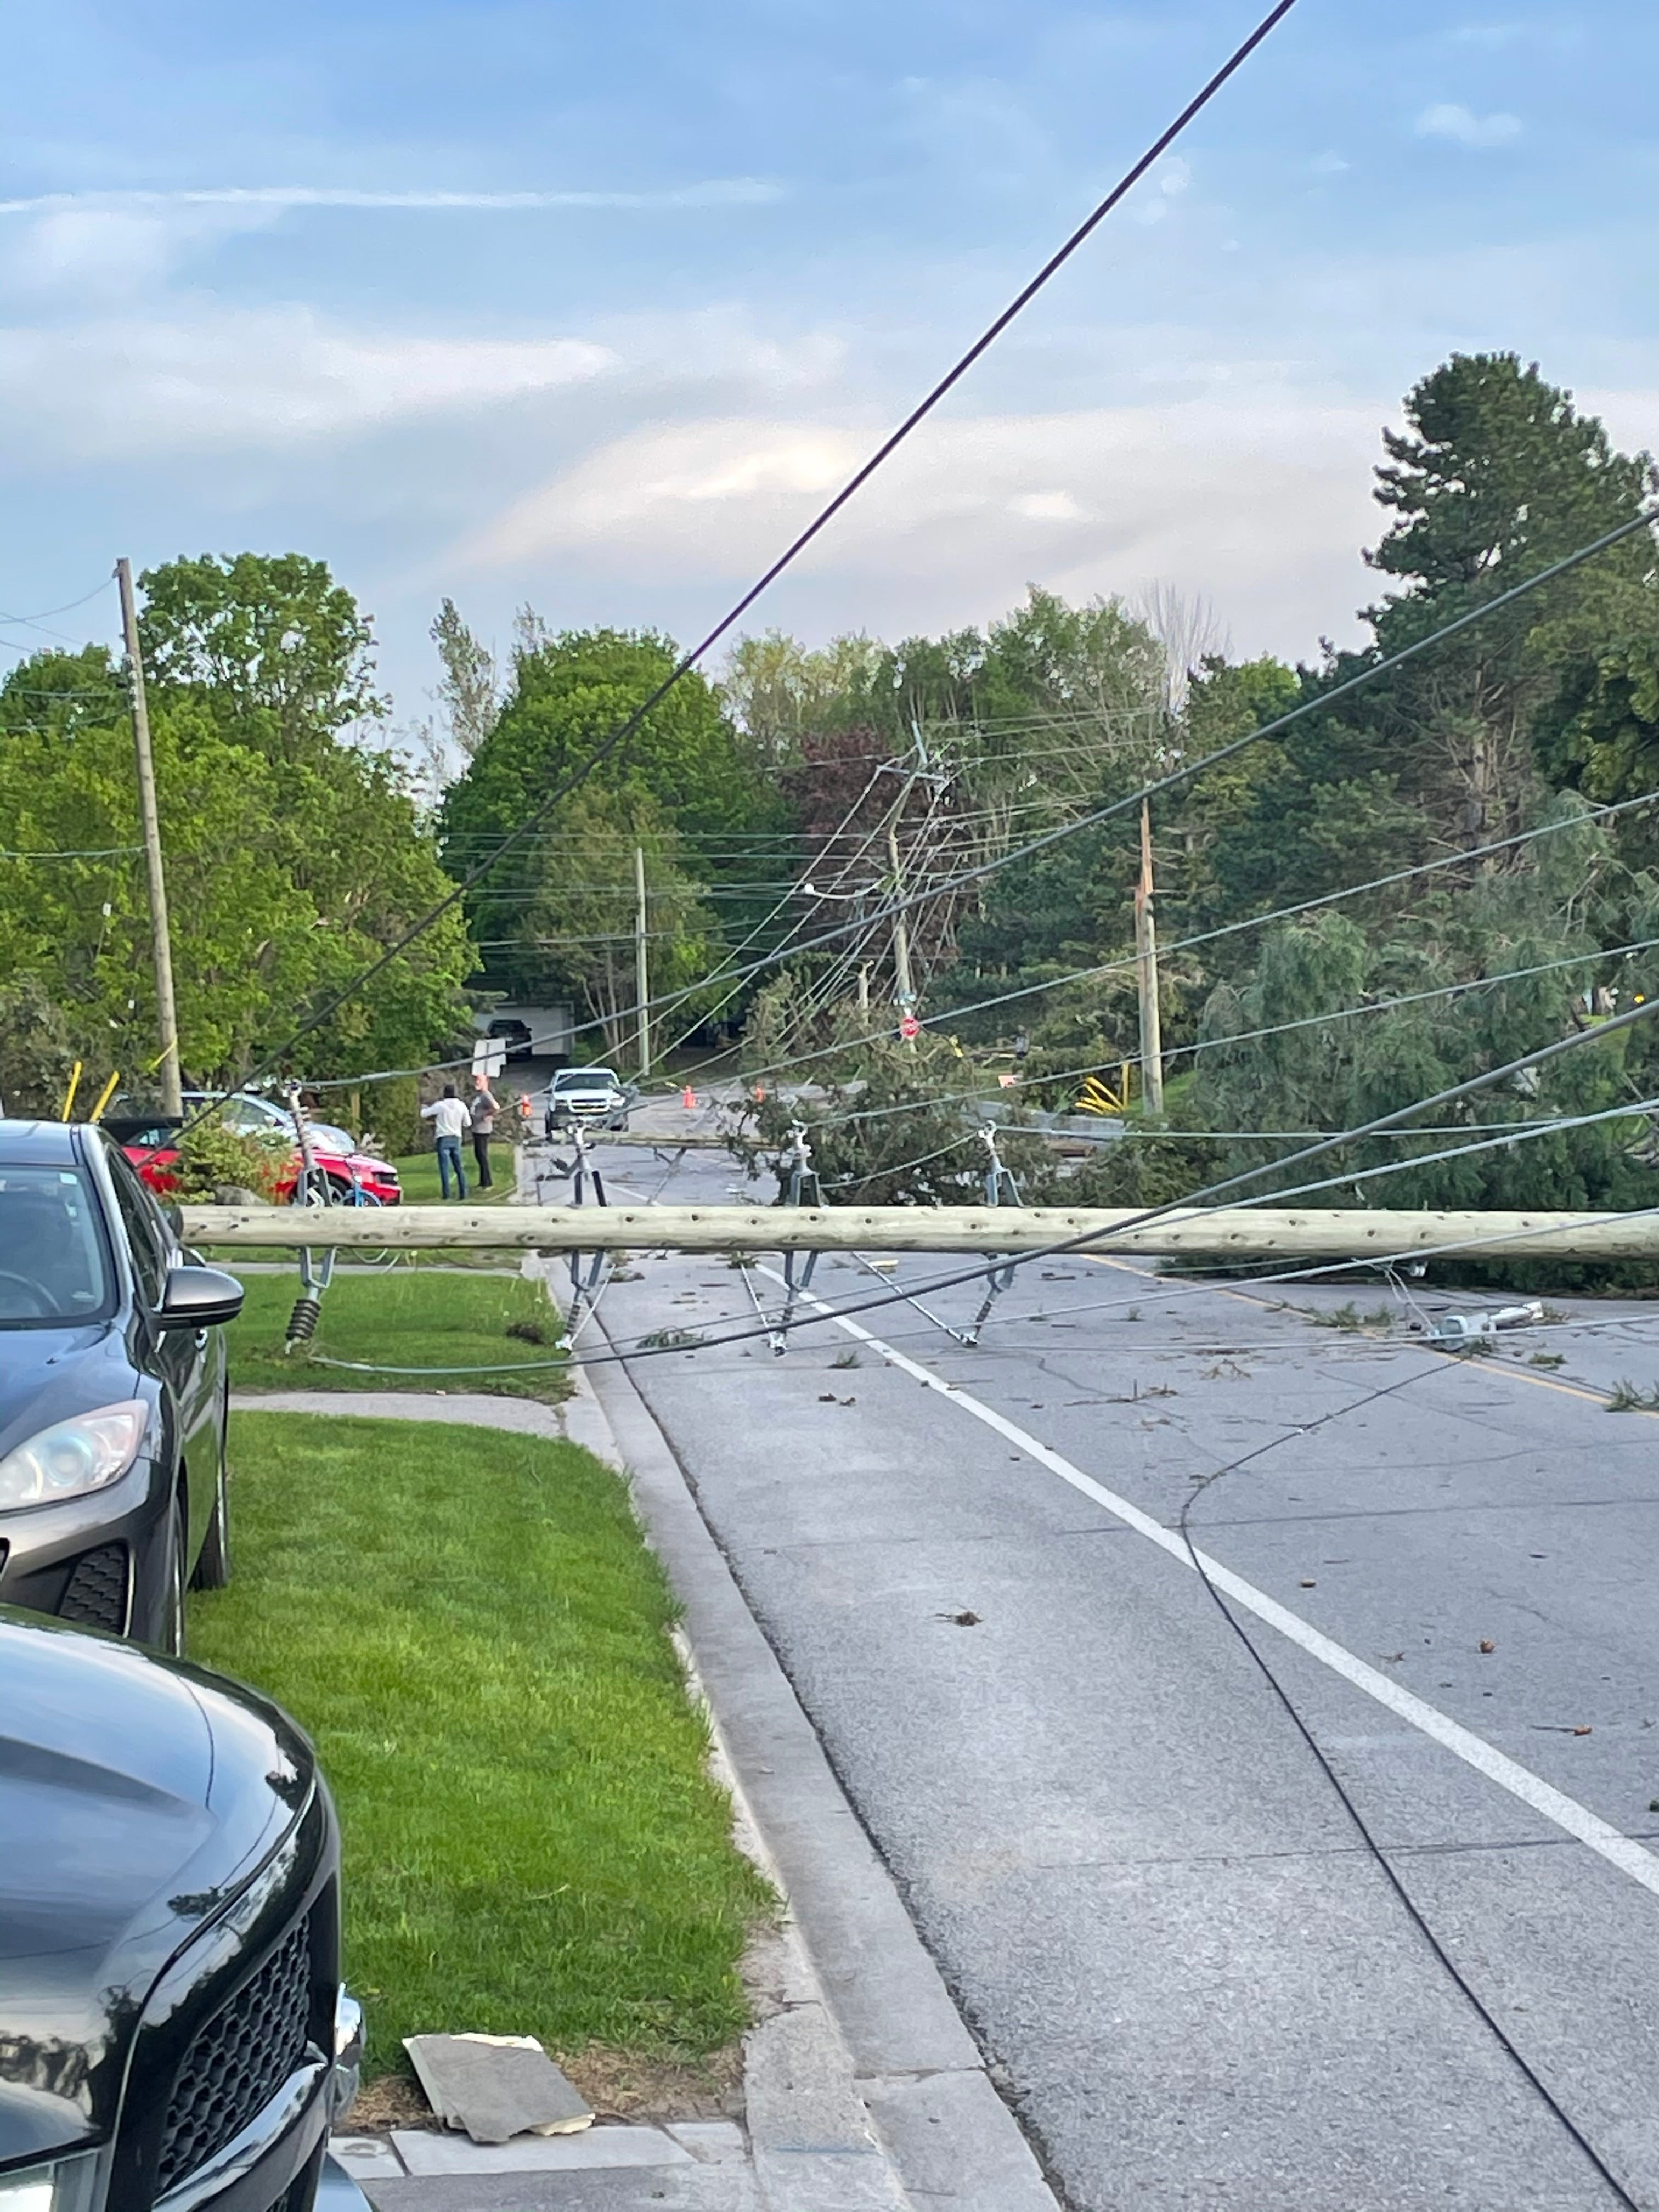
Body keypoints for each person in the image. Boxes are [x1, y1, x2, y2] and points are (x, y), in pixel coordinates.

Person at [420, 1083, 470, 1199]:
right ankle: (463, 1193)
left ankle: (446, 1195)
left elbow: (424, 1114)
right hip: (456, 1137)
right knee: (459, 1168)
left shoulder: (441, 1105)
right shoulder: (461, 1105)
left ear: (444, 1093)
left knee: (444, 1168)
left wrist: (424, 1107)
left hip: (443, 1137)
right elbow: (468, 1123)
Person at [470, 1073, 500, 1190]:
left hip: (483, 1130)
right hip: (477, 1129)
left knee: (482, 1156)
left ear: (486, 1082)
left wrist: (488, 1115)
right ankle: (482, 1182)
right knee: (479, 1156)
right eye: (476, 1080)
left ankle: (488, 1183)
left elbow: (496, 1107)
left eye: (479, 1080)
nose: (477, 1082)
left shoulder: (486, 1095)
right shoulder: (480, 1096)